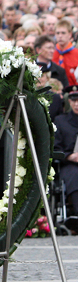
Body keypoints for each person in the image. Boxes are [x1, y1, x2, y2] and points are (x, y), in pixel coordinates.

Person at [54, 86, 78, 215]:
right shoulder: (61, 121)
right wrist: (70, 156)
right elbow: (56, 148)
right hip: (70, 165)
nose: (77, 104)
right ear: (69, 101)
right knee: (75, 176)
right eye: (74, 100)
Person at [53, 19, 78, 87]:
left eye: (63, 33)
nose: (60, 36)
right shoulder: (51, 53)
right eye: (57, 33)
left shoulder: (76, 53)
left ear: (70, 34)